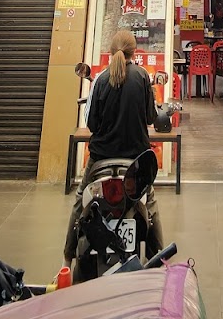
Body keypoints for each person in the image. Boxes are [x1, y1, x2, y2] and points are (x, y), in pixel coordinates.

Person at [63, 29, 164, 267]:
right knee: (149, 203)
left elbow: (92, 123)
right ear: (134, 52)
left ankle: (67, 259)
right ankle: (160, 258)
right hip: (136, 160)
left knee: (81, 200)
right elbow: (151, 117)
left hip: (101, 158)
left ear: (111, 51)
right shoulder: (142, 77)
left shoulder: (100, 80)